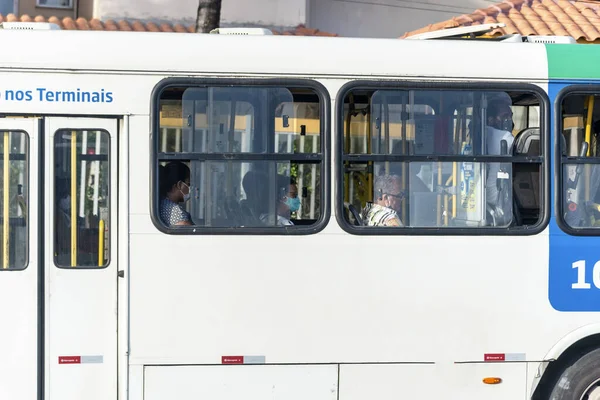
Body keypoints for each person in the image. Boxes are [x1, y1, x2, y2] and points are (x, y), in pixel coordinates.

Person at [485, 92, 514, 226]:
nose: (509, 120)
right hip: (497, 195)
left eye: (510, 116)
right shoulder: (505, 137)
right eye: (504, 116)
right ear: (491, 120)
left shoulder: (479, 133)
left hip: (483, 194)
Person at [159, 161, 193, 226]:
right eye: (188, 183)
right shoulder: (176, 212)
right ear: (179, 185)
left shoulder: (162, 203)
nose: (190, 187)